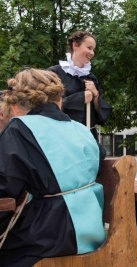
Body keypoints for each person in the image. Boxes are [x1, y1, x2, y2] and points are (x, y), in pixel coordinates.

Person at [0, 68, 106, 266]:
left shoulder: (18, 130)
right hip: (92, 234)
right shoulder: (81, 129)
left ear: (14, 106)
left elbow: (5, 189)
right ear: (58, 100)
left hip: (44, 241)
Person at [49, 30, 112, 140]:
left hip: (87, 135)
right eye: (89, 48)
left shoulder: (91, 77)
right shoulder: (55, 73)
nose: (92, 53)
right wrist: (80, 98)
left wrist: (96, 95)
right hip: (63, 135)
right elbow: (48, 106)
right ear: (75, 45)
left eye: (93, 49)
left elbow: (101, 115)